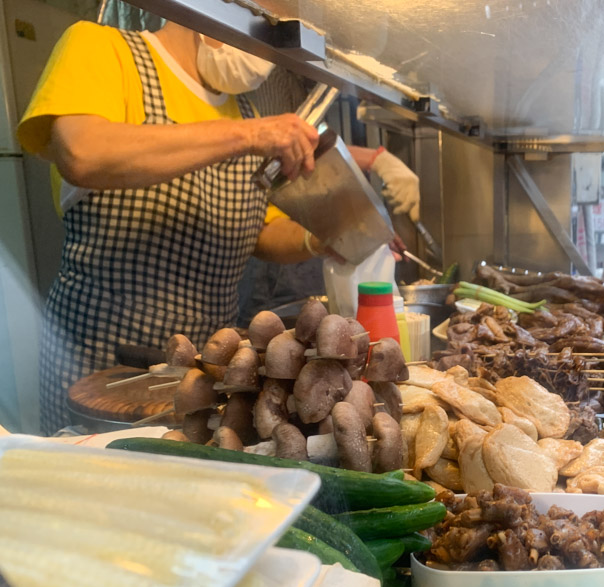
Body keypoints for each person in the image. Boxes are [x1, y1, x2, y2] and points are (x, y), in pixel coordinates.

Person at [17, 20, 419, 434]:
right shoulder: (104, 48)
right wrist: (249, 134)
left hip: (209, 372)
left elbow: (257, 230)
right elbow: (83, 152)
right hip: (107, 368)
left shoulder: (243, 111)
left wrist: (319, 239)